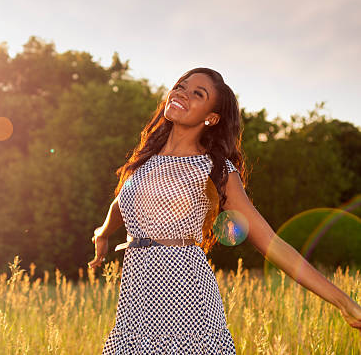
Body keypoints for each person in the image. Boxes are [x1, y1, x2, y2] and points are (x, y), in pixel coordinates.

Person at [87, 67, 361, 354]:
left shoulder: (216, 171)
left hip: (186, 298)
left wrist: (343, 301)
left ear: (211, 117)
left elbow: (270, 242)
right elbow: (123, 202)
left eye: (198, 94)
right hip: (136, 302)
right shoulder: (144, 163)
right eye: (181, 85)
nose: (183, 93)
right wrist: (103, 233)